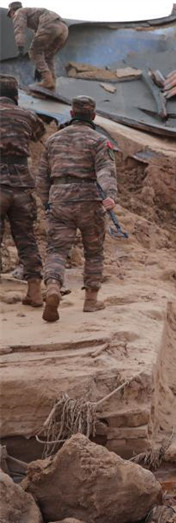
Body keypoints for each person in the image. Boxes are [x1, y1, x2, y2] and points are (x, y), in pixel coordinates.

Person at [37, 96, 117, 322]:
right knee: (93, 252)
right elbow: (105, 171)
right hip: (90, 201)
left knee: (56, 250)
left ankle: (53, 287)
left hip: (60, 200)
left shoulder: (53, 141)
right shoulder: (99, 140)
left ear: (71, 114)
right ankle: (91, 301)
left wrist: (46, 202)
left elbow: (42, 177)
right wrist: (110, 195)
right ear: (93, 116)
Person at [0, 74, 45, 306]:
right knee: (26, 239)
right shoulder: (28, 115)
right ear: (16, 96)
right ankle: (35, 292)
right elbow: (39, 136)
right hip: (22, 184)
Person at [7, 2, 68, 91]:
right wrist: (38, 67)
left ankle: (47, 80)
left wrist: (20, 47)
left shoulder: (19, 12)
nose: (12, 17)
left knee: (34, 51)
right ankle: (52, 82)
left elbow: (19, 29)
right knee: (48, 56)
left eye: (10, 15)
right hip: (63, 28)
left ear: (12, 11)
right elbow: (39, 35)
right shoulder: (33, 13)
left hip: (50, 25)